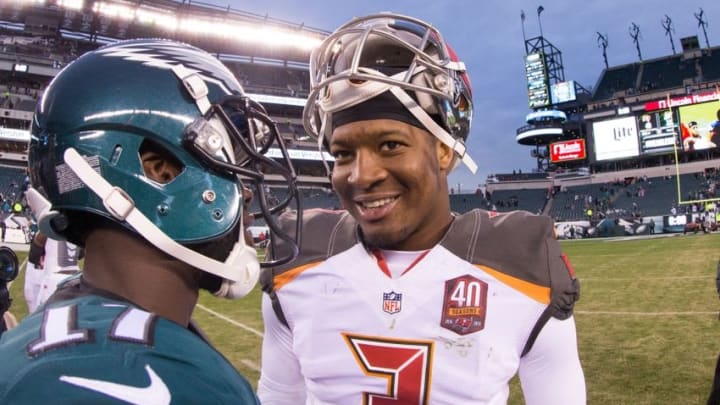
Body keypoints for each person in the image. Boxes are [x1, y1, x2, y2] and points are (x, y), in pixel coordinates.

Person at [259, 13, 585, 404]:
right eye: (343, 153)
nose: (362, 175)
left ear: (444, 150)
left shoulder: (521, 267)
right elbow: (278, 396)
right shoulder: (298, 261)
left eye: (390, 145)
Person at [0, 38, 301, 403]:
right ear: (159, 172)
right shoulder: (164, 379)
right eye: (228, 166)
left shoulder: (36, 336)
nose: (248, 193)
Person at [34, 235, 83, 308]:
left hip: (54, 276)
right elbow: (82, 253)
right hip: (74, 276)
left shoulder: (50, 226)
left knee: (45, 315)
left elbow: (38, 243)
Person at [22, 230, 47, 313]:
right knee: (34, 312)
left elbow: (80, 254)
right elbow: (36, 250)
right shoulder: (42, 233)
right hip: (37, 272)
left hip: (51, 272)